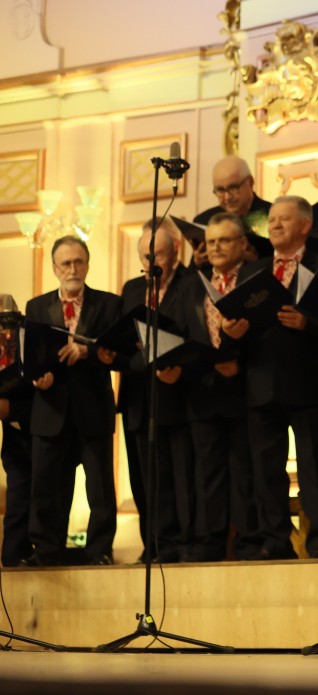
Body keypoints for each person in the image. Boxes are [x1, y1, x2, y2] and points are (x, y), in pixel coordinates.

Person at [238, 196, 318, 559]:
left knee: (314, 472)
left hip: (308, 381)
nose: (275, 225)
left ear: (305, 226)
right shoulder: (252, 272)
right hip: (261, 383)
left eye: (284, 219)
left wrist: (309, 325)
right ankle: (275, 543)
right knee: (266, 474)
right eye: (273, 220)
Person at [23, 237, 123, 566]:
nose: (72, 268)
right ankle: (46, 551)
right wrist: (40, 377)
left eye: (78, 261)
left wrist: (88, 351)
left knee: (100, 490)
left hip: (92, 408)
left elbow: (119, 351)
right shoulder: (36, 306)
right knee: (46, 488)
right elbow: (32, 356)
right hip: (50, 410)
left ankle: (99, 551)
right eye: (65, 263)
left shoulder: (108, 304)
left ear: (88, 264)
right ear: (54, 268)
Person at [111, 219, 194, 563]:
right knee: (144, 478)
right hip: (138, 396)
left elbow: (197, 334)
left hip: (179, 393)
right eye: (146, 257)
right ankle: (154, 545)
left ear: (175, 250)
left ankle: (183, 545)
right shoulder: (131, 288)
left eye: (158, 254)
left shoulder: (190, 283)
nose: (152, 263)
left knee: (181, 475)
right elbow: (124, 339)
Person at [178, 213, 260, 561]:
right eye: (210, 242)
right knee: (206, 474)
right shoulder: (191, 284)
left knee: (245, 472)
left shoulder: (256, 278)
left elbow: (268, 334)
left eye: (223, 241)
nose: (215, 248)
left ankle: (247, 541)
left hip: (245, 389)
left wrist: (239, 360)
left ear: (242, 244)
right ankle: (209, 542)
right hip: (202, 390)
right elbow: (184, 333)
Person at [1, 295, 36, 567]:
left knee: (45, 503)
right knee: (16, 504)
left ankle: (44, 556)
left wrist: (10, 409)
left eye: (10, 320)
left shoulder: (32, 339)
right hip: (13, 439)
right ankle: (12, 561)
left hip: (43, 431)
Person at [193, 155, 273, 262]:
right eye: (220, 190)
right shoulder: (204, 221)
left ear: (250, 182)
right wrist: (197, 263)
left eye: (233, 188)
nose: (227, 197)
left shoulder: (272, 216)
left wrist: (257, 260)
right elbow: (192, 274)